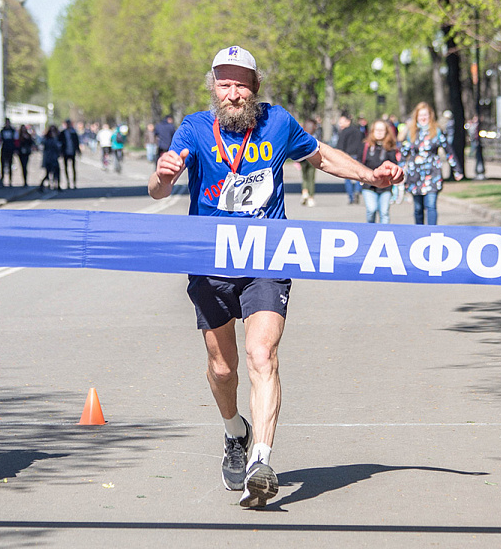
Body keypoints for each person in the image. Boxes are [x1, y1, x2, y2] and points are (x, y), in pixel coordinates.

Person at [148, 45, 404, 509]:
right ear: (213, 87)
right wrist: (162, 177)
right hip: (210, 263)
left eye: (240, 83)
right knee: (223, 367)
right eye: (224, 83)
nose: (232, 93)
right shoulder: (194, 128)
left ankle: (260, 463)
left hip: (267, 257)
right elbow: (159, 187)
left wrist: (372, 177)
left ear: (255, 87)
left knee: (261, 352)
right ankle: (234, 432)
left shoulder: (278, 122)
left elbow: (321, 156)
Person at [399, 102, 460, 225]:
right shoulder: (412, 132)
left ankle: (432, 232)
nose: (423, 118)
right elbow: (404, 152)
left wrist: (457, 169)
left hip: (432, 173)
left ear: (430, 116)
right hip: (415, 174)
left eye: (425, 115)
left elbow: (448, 150)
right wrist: (399, 170)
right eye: (420, 115)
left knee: (431, 205)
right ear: (416, 116)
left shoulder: (436, 131)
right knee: (418, 208)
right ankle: (419, 232)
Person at [360, 119, 399, 223]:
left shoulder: (390, 148)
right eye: (377, 130)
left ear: (386, 132)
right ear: (372, 131)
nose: (379, 132)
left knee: (384, 212)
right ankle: (371, 230)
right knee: (371, 209)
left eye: (382, 130)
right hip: (369, 185)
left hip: (385, 186)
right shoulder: (366, 146)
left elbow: (394, 165)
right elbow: (360, 162)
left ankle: (384, 234)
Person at [335, 112, 364, 204]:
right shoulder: (359, 131)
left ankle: (351, 196)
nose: (340, 124)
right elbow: (362, 144)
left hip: (347, 156)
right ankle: (357, 191)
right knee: (358, 176)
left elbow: (340, 145)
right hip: (357, 155)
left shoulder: (344, 132)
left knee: (347, 177)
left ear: (348, 121)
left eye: (342, 122)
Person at [299, 118, 318, 207]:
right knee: (311, 177)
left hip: (303, 157)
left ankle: (304, 192)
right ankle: (311, 197)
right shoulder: (315, 135)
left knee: (304, 176)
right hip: (312, 157)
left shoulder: (302, 134)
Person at [0, 118, 18, 187]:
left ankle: (10, 181)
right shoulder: (2, 131)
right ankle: (2, 180)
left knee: (10, 165)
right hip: (4, 149)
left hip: (10, 149)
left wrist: (15, 149)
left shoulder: (13, 131)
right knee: (3, 164)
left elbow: (16, 140)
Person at [40, 125, 62, 190]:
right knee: (48, 174)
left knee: (57, 173)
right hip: (49, 159)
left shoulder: (56, 138)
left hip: (54, 158)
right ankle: (41, 185)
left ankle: (57, 185)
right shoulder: (47, 139)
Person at [61, 119, 81, 189]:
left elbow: (77, 142)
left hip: (72, 152)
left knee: (73, 168)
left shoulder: (73, 132)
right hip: (65, 152)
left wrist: (78, 150)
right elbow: (61, 142)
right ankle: (68, 182)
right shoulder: (63, 133)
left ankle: (74, 183)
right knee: (66, 167)